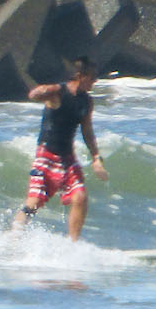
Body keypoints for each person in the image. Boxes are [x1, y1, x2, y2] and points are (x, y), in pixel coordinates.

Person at [14, 57, 107, 240]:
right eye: (92, 77)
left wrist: (96, 157)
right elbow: (34, 95)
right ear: (80, 76)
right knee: (34, 202)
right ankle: (15, 236)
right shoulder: (58, 92)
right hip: (45, 155)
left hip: (67, 158)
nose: (95, 81)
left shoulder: (86, 101)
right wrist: (42, 91)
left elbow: (87, 131)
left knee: (80, 197)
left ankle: (72, 244)